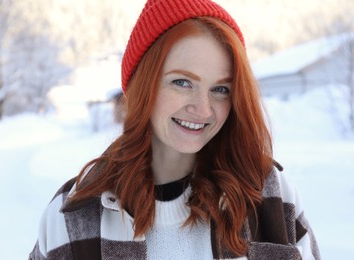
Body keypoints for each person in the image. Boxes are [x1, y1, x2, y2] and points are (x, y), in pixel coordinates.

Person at [29, 0, 321, 259]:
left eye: (220, 89)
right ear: (142, 84)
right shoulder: (72, 217)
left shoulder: (270, 194)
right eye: (182, 82)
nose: (203, 109)